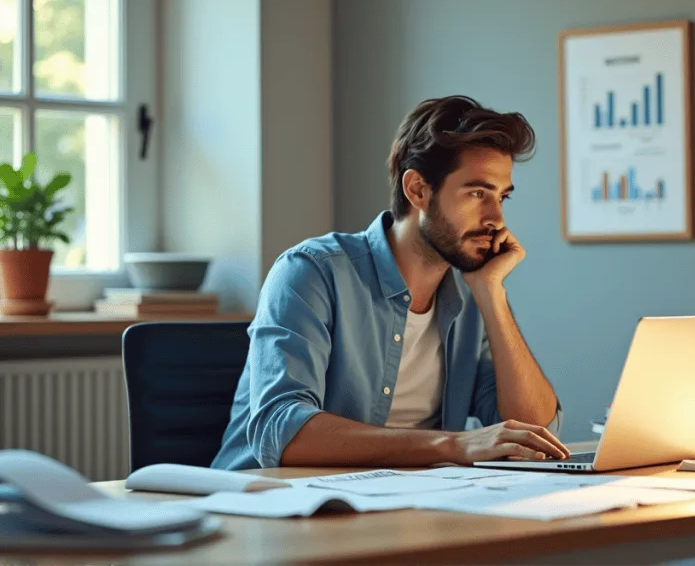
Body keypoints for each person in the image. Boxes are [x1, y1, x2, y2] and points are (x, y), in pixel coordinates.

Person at [211, 95, 570, 470]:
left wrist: (492, 295)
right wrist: (453, 445)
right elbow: (280, 430)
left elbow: (534, 431)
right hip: (266, 507)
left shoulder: (473, 296)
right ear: (417, 190)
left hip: (396, 508)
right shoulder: (312, 272)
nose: (496, 218)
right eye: (477, 193)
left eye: (502, 197)